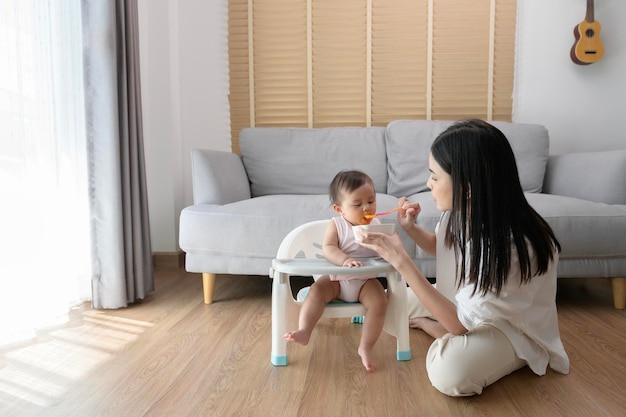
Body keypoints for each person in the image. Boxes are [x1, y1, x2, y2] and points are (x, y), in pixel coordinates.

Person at [357, 119, 570, 395]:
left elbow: (458, 324)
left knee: (449, 372)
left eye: (434, 177)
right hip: (464, 301)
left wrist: (401, 262)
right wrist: (411, 229)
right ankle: (437, 328)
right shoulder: (461, 211)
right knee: (387, 308)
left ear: (467, 187)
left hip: (510, 329)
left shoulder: (509, 247)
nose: (427, 184)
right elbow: (444, 249)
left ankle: (501, 352)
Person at [283, 170, 388, 372]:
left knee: (380, 302)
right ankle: (304, 330)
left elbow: (383, 251)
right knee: (316, 290)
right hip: (337, 280)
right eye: (357, 204)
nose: (367, 207)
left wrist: (382, 245)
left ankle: (366, 346)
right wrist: (345, 259)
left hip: (365, 282)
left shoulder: (376, 225)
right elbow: (329, 248)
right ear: (339, 209)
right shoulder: (337, 225)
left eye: (371, 201)